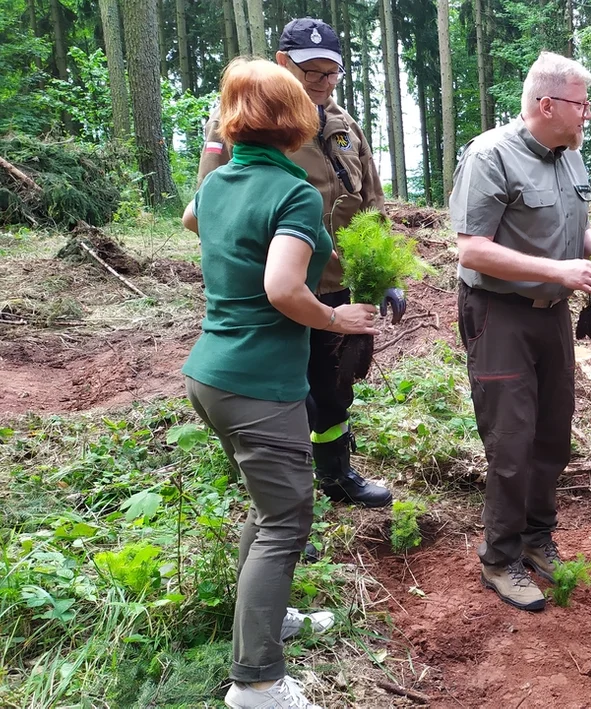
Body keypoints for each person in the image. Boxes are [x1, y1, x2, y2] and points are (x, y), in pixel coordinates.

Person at [181, 58, 380, 709]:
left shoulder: (218, 184)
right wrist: (335, 315)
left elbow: (191, 218)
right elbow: (283, 287)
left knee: (270, 510)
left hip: (211, 374)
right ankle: (258, 681)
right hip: (260, 383)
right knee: (288, 520)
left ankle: (265, 617)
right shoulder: (293, 193)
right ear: (295, 120)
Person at [197, 17, 394, 514]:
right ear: (284, 64)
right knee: (283, 399)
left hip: (334, 283)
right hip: (277, 290)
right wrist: (276, 258)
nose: (325, 84)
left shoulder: (344, 125)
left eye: (333, 74)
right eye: (314, 74)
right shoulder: (241, 123)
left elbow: (370, 199)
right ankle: (285, 500)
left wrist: (384, 272)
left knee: (332, 389)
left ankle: (335, 474)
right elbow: (208, 210)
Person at [450, 51, 591, 612]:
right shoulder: (491, 155)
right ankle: (500, 557)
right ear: (547, 104)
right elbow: (472, 249)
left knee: (551, 434)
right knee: (511, 441)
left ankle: (538, 538)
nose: (587, 114)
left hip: (551, 315)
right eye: (581, 104)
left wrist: (585, 245)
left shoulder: (570, 157)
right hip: (500, 314)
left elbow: (572, 222)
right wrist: (558, 269)